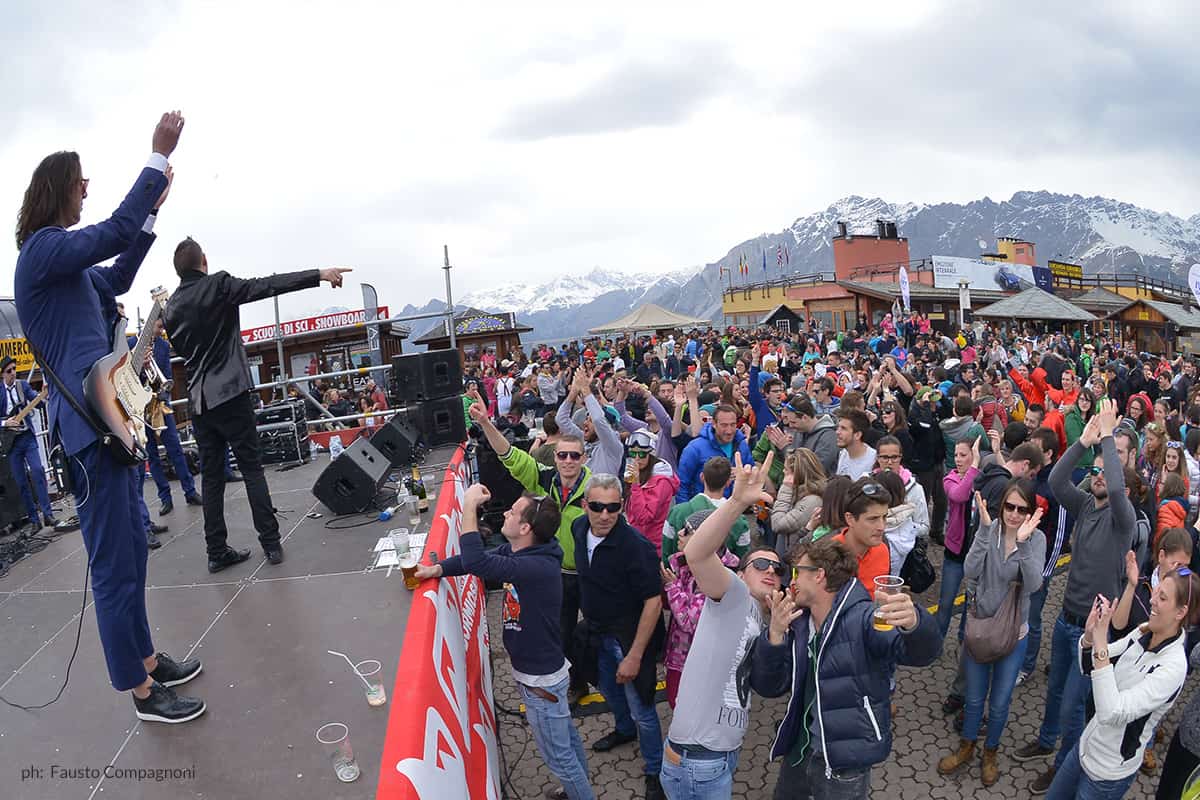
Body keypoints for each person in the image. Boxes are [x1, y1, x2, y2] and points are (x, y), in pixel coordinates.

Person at [14, 110, 204, 722]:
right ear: (57, 189)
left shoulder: (68, 270)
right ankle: (142, 693)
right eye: (80, 182)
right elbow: (111, 232)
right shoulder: (43, 254)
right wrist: (155, 159)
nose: (86, 188)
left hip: (109, 426)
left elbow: (119, 267)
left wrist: (153, 210)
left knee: (133, 552)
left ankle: (146, 658)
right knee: (115, 566)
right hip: (92, 434)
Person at [163, 237, 350, 572]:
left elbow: (183, 350)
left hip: (200, 403)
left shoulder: (171, 308)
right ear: (203, 260)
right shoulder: (218, 285)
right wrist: (320, 273)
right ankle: (271, 544)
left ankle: (216, 551)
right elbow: (266, 286)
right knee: (251, 469)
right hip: (232, 393)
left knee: (212, 479)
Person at [416, 485, 595, 800]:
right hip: (543, 678)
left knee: (560, 757)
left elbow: (477, 563)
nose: (506, 513)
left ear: (525, 528)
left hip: (542, 684)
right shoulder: (523, 552)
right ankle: (575, 789)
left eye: (513, 511)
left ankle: (579, 791)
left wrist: (468, 506)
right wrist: (439, 569)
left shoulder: (534, 566)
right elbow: (478, 559)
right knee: (566, 743)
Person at [750, 535, 944, 799]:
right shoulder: (797, 622)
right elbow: (768, 687)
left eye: (797, 572)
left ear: (819, 575)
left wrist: (914, 624)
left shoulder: (865, 619)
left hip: (845, 761)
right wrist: (774, 636)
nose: (791, 581)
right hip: (800, 751)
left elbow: (923, 654)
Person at [1016, 399, 1137, 794]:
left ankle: (1065, 763)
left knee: (1072, 709)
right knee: (1054, 694)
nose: (1100, 475)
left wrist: (1106, 437)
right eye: (1097, 472)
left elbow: (1118, 487)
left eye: (1107, 470)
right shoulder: (1085, 505)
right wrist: (1083, 442)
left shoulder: (1124, 520)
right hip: (1067, 617)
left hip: (1093, 634)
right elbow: (1056, 481)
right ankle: (1045, 743)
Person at [661, 453, 783, 800]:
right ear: (740, 572)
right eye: (761, 563)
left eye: (778, 569)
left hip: (722, 754)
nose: (772, 571)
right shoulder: (734, 596)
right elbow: (698, 553)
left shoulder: (761, 616)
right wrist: (736, 502)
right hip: (698, 760)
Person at [469, 401, 593, 703]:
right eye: (561, 455)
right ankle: (575, 685)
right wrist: (486, 423)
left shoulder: (594, 489)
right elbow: (509, 456)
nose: (567, 461)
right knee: (561, 634)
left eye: (573, 456)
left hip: (589, 573)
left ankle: (601, 677)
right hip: (557, 574)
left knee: (594, 633)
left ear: (583, 458)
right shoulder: (544, 478)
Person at [1045, 568, 1198, 800]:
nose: (1153, 601)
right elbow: (1089, 665)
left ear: (1181, 612)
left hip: (1107, 774)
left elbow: (1111, 711)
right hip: (1085, 747)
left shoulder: (1173, 668)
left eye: (1163, 598)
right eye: (1156, 592)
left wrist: (1100, 641)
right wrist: (1090, 636)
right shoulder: (1143, 631)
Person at [938, 480, 1045, 787]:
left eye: (1020, 509)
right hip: (981, 629)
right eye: (1008, 507)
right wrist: (985, 531)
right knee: (973, 699)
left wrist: (1022, 543)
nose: (1013, 514)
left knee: (999, 702)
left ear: (1029, 512)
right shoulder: (990, 529)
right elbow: (970, 570)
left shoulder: (1036, 540)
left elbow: (1035, 584)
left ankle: (990, 752)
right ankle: (967, 746)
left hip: (1014, 634)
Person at [572, 474, 666, 800]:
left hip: (627, 637)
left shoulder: (636, 548)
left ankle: (657, 770)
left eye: (613, 507)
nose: (605, 515)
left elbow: (653, 603)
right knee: (610, 692)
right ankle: (624, 731)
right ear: (585, 505)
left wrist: (636, 655)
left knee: (643, 709)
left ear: (621, 507)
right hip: (595, 632)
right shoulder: (578, 529)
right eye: (597, 506)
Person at [661, 512, 742, 709]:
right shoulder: (682, 562)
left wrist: (672, 587)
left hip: (697, 662)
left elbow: (690, 622)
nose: (679, 533)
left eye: (687, 530)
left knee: (685, 709)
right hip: (679, 656)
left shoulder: (717, 575)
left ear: (705, 538)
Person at [1, 355, 59, 530]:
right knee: (20, 482)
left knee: (38, 471)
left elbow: (38, 403)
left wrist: (43, 396)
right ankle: (34, 520)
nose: (13, 373)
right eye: (9, 371)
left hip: (27, 437)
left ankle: (48, 515)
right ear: (2, 373)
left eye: (14, 369)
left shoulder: (23, 386)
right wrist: (5, 423)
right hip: (11, 443)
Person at [675, 405, 754, 504]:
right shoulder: (695, 448)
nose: (729, 431)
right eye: (724, 425)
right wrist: (686, 513)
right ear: (714, 424)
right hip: (701, 512)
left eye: (733, 424)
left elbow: (753, 474)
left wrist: (743, 473)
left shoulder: (742, 445)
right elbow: (682, 485)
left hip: (733, 510)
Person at [623, 429, 679, 556]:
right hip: (636, 543)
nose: (637, 458)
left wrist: (636, 484)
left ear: (651, 455)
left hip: (652, 549)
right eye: (633, 453)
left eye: (642, 454)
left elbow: (643, 517)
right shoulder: (639, 474)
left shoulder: (661, 481)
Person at [835, 409, 876, 480]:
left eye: (843, 428)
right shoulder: (843, 453)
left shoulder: (873, 460)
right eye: (838, 427)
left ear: (857, 435)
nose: (837, 432)